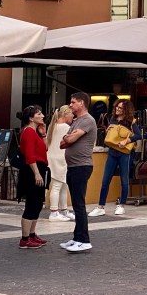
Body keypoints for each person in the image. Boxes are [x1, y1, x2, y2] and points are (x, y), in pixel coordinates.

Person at [90, 99, 141, 217]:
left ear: (126, 109)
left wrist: (127, 140)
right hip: (113, 151)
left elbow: (139, 135)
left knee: (124, 180)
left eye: (120, 108)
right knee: (105, 180)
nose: (117, 109)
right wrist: (108, 130)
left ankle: (121, 205)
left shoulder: (131, 121)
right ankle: (100, 206)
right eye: (117, 107)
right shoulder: (112, 119)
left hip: (124, 153)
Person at [60, 92, 97, 253]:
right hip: (73, 166)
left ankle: (84, 240)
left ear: (81, 103)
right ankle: (77, 238)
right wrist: (68, 137)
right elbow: (62, 143)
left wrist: (69, 137)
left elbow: (69, 140)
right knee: (76, 204)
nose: (70, 105)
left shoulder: (88, 120)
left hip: (81, 166)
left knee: (79, 205)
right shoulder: (76, 121)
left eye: (73, 102)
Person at [16, 105, 49, 249]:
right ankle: (25, 239)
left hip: (39, 168)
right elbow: (30, 155)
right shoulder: (28, 132)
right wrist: (36, 173)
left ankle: (32, 234)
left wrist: (43, 134)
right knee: (32, 203)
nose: (42, 116)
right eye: (39, 114)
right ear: (31, 118)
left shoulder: (35, 132)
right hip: (32, 170)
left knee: (37, 203)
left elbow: (45, 149)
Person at [46, 105, 73, 221]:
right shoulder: (65, 127)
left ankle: (63, 210)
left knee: (61, 186)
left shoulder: (52, 126)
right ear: (65, 114)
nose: (72, 116)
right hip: (60, 159)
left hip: (52, 158)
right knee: (58, 186)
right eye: (71, 113)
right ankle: (54, 212)